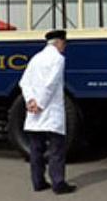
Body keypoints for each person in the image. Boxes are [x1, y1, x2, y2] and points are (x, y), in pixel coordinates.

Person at [18, 30, 76, 195]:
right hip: (50, 110)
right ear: (58, 42)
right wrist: (41, 104)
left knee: (36, 148)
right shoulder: (58, 59)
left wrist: (30, 101)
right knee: (57, 148)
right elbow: (51, 84)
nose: (64, 46)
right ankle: (58, 183)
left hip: (34, 111)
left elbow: (24, 82)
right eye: (64, 43)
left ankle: (38, 182)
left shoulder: (36, 58)